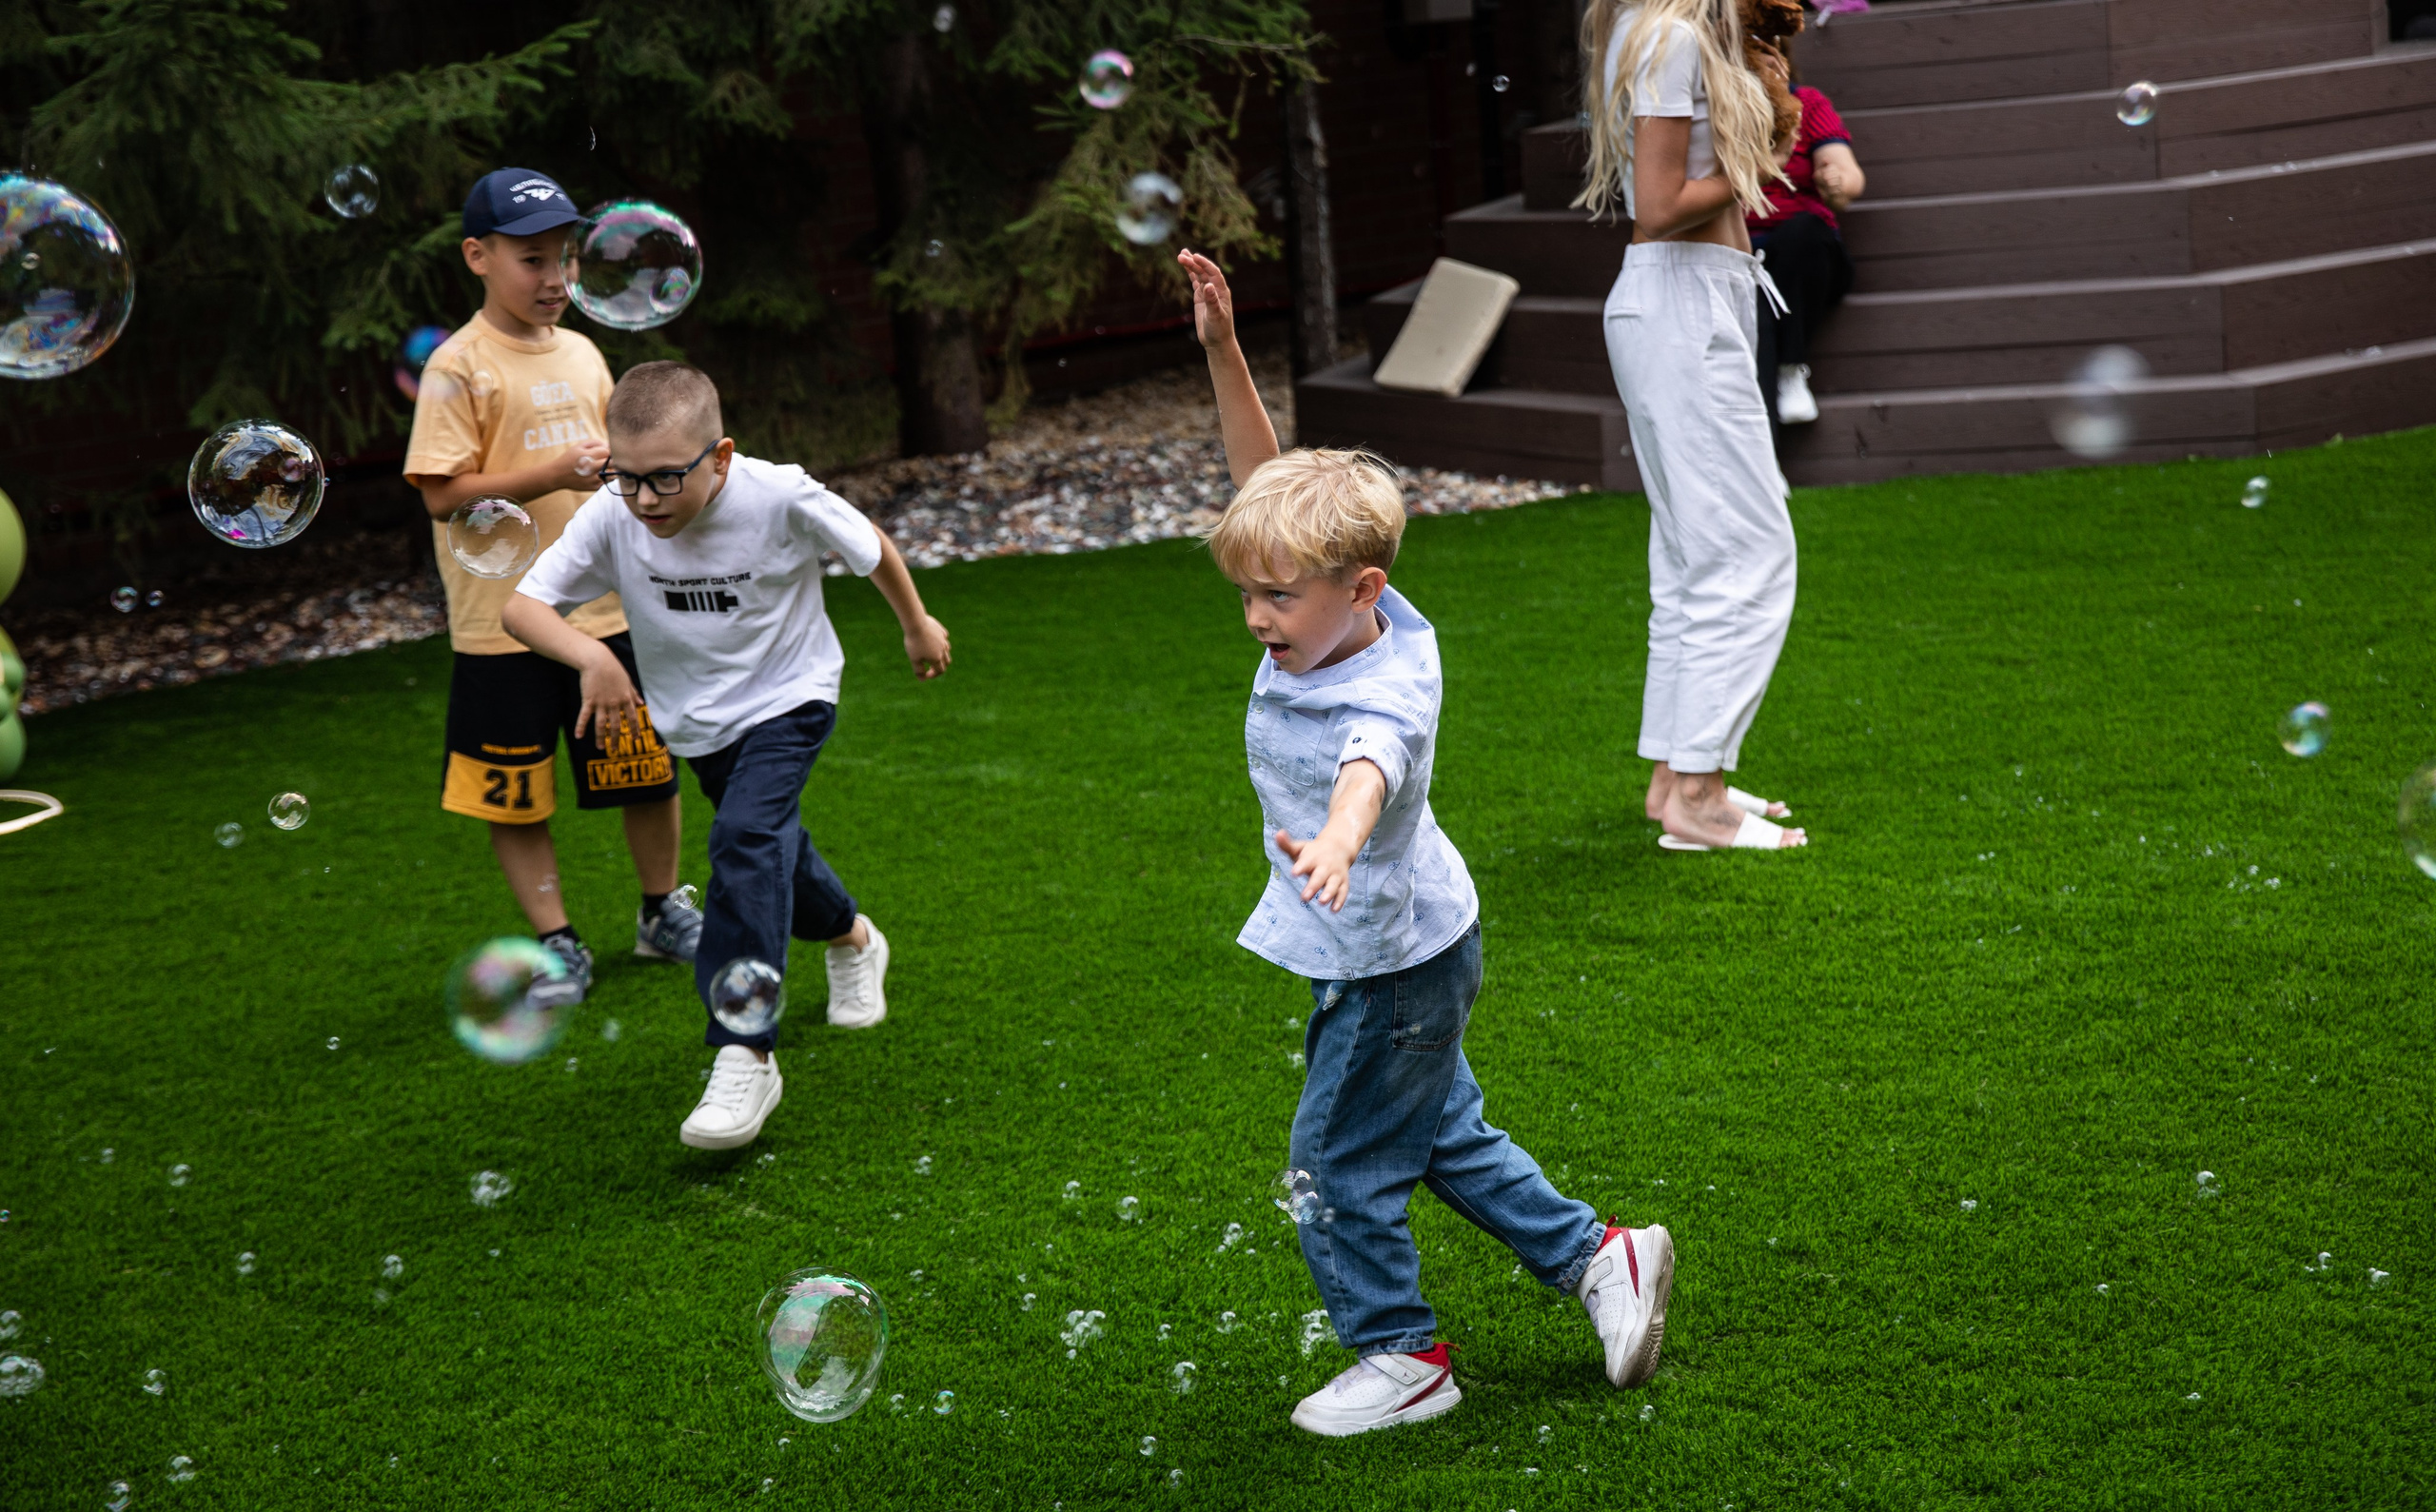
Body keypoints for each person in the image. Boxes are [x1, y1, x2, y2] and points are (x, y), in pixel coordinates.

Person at [1178, 247, 1676, 1437]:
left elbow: (1370, 768)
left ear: (1362, 587)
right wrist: (1221, 350)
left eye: (1276, 599)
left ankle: (1404, 1356)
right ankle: (1604, 1257)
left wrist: (1342, 842)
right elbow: (1266, 499)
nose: (1255, 616)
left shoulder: (1387, 687)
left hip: (1389, 954)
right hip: (1405, 940)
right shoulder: (1335, 608)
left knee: (1337, 1163)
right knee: (1439, 1132)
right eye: (1248, 593)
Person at [501, 362, 951, 1150]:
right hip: (697, 721)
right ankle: (853, 937)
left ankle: (745, 1051)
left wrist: (914, 622)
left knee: (743, 838)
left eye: (667, 478)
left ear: (721, 456)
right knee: (773, 845)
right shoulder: (616, 514)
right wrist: (592, 657)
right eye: (626, 477)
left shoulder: (777, 494)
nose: (644, 500)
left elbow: (867, 543)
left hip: (791, 695)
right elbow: (521, 606)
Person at [403, 167, 700, 1011]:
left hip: (608, 609)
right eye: (531, 261)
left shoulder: (584, 351)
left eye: (564, 260)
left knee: (645, 770)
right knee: (516, 790)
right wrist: (549, 472)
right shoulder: (460, 368)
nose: (556, 279)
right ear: (478, 257)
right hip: (501, 624)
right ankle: (556, 941)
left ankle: (661, 912)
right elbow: (439, 491)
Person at [1575, 0, 1808, 851]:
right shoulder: (1670, 38)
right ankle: (1697, 795)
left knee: (1689, 558)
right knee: (1746, 554)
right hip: (1679, 300)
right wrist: (1759, 162)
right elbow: (1660, 200)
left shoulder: (1661, 34)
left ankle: (1676, 777)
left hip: (1693, 299)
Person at [1750, 80, 1863, 433]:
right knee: (1755, 292)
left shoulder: (1806, 102)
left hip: (1809, 258)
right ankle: (1765, 454)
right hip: (1745, 255)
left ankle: (1792, 368)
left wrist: (1835, 182)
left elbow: (1850, 179)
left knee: (1804, 232)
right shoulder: (1713, 105)